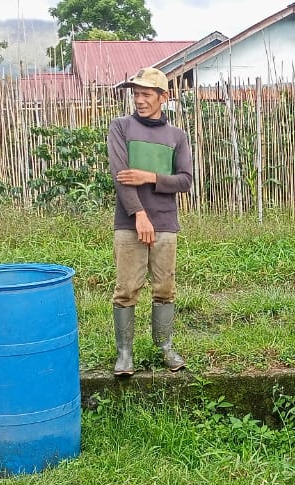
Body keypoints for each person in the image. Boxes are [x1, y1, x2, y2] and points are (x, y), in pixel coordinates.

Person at [107, 67, 194, 376]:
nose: (139, 100)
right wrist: (139, 214)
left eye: (146, 94)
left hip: (166, 222)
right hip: (130, 222)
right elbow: (120, 176)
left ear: (163, 97)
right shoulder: (121, 127)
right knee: (127, 288)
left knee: (165, 287)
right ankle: (125, 353)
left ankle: (166, 347)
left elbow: (185, 181)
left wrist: (150, 177)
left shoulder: (177, 137)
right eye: (136, 94)